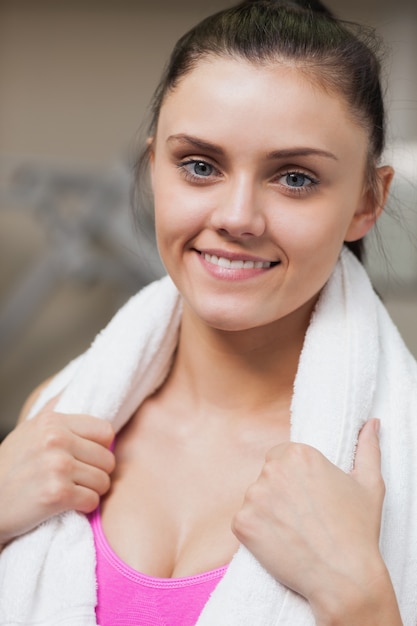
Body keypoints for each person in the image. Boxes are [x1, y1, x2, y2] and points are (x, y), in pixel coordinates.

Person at [0, 1, 416, 624]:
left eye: (295, 178)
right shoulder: (54, 416)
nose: (237, 217)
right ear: (154, 170)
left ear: (366, 201)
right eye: (199, 166)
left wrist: (358, 598)